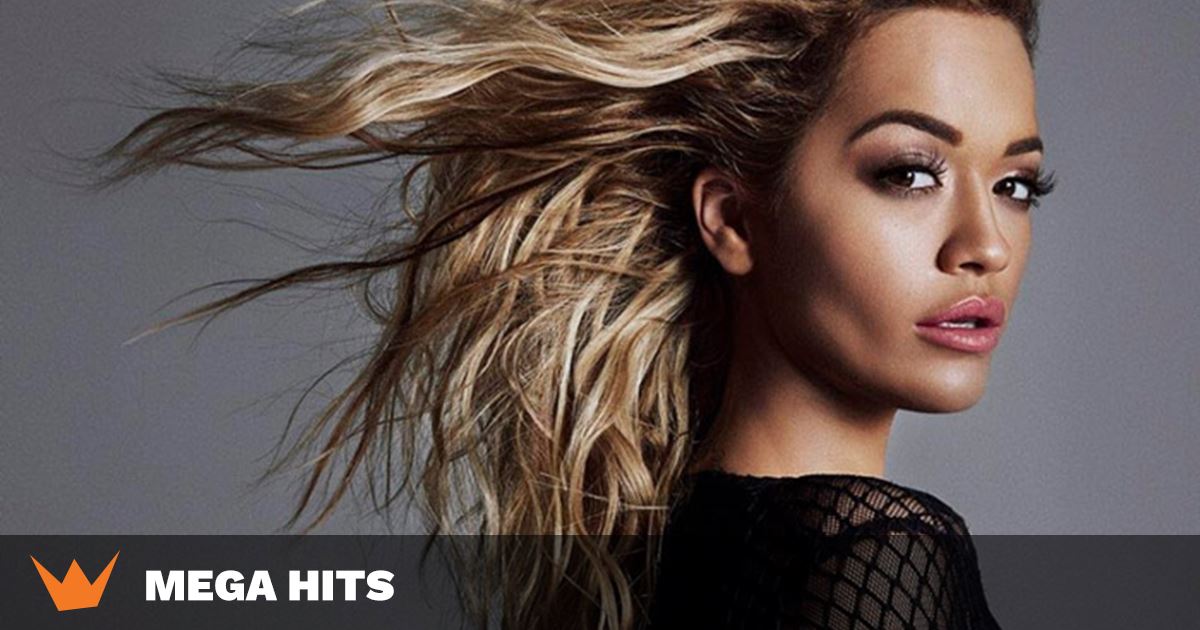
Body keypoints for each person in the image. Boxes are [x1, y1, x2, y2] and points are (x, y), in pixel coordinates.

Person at [91, 1, 1055, 628]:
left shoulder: (657, 555)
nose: (985, 244)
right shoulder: (875, 553)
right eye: (910, 173)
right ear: (732, 220)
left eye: (1016, 185)